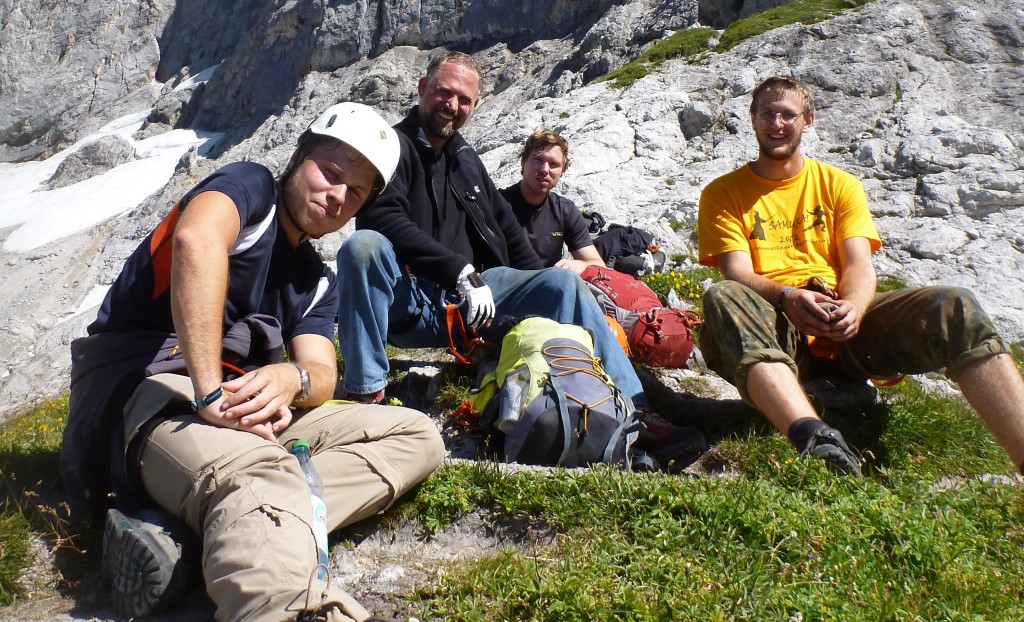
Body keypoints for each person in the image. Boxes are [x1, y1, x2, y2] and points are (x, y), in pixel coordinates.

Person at [60, 102, 445, 622]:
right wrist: (210, 391)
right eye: (330, 174)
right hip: (149, 391)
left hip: (235, 409)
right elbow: (196, 241)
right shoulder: (252, 189)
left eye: (354, 193)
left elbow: (324, 373)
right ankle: (287, 606)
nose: (337, 197)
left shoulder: (316, 280)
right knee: (260, 475)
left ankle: (213, 534)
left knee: (415, 435)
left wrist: (293, 377)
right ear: (298, 156)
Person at [335, 50, 704, 470]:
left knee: (563, 284)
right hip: (412, 300)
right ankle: (365, 396)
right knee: (362, 246)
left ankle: (636, 413)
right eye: (444, 93)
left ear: (475, 106)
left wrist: (539, 281)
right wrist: (457, 270)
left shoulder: (465, 158)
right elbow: (380, 216)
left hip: (474, 308)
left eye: (465, 100)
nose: (452, 107)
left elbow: (505, 225)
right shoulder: (390, 148)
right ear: (422, 89)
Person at [697, 75, 1024, 476]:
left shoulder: (839, 185)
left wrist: (853, 306)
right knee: (722, 293)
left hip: (842, 323)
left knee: (954, 306)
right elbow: (737, 271)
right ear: (752, 119)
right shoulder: (723, 192)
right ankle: (815, 439)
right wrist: (787, 298)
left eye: (787, 114)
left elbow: (858, 264)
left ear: (808, 121)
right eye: (767, 113)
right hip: (774, 323)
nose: (776, 123)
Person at [499, 129, 604, 273]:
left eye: (553, 164)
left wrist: (579, 265)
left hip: (549, 286)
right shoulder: (498, 204)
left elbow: (598, 265)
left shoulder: (565, 210)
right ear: (523, 162)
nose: (544, 170)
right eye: (537, 160)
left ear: (562, 171)